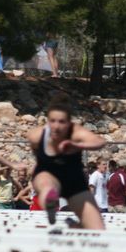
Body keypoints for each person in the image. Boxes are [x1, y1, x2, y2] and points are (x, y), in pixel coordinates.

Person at [27, 96, 106, 228]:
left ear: (69, 123)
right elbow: (36, 154)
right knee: (46, 182)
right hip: (48, 175)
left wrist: (77, 145)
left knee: (96, 228)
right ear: (47, 121)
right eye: (52, 121)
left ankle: (74, 225)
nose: (56, 127)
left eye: (62, 122)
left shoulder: (76, 132)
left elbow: (99, 142)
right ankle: (50, 202)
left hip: (74, 182)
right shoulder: (36, 136)